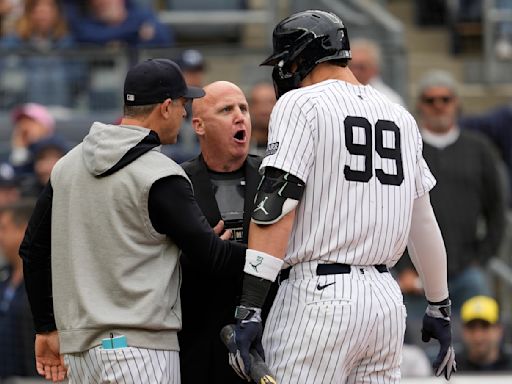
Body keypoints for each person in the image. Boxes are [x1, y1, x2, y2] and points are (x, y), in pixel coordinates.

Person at [225, 10, 456, 383]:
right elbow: (423, 221)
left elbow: (277, 206)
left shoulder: (301, 104)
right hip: (385, 300)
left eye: (287, 62)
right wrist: (438, 303)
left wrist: (250, 305)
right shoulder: (400, 115)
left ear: (301, 57)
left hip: (318, 297)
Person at [19, 58, 246, 383]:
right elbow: (214, 257)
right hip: (139, 353)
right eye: (182, 104)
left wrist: (45, 328)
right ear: (166, 107)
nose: (185, 113)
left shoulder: (66, 165)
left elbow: (32, 252)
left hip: (80, 357)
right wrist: (274, 255)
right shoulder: (160, 173)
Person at [397, 70, 506, 316]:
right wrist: (403, 267)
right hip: (415, 275)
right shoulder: (406, 149)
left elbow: (497, 210)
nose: (438, 106)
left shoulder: (480, 149)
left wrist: (482, 259)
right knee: (420, 348)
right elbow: (389, 210)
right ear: (419, 105)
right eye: (430, 100)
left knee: (479, 341)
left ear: (456, 103)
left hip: (467, 271)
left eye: (445, 99)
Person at [178, 81, 264, 384]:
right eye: (227, 110)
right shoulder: (177, 183)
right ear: (198, 125)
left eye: (243, 108)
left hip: (269, 340)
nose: (240, 116)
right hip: (200, 343)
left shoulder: (273, 177)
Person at [0, 0, 75, 107]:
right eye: (37, 7)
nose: (43, 13)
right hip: (24, 114)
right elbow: (8, 84)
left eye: (49, 7)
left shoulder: (68, 44)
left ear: (57, 13)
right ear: (28, 13)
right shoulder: (11, 44)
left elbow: (78, 81)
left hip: (62, 112)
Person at [0, 199, 38, 379]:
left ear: (24, 229)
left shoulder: (45, 280)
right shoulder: (4, 276)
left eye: (3, 228)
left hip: (35, 378)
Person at [62, 0, 173, 47]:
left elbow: (161, 36)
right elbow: (85, 35)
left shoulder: (142, 15)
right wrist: (134, 31)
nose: (99, 3)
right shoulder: (88, 23)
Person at [163, 49, 207, 163]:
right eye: (189, 72)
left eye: (198, 71)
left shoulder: (207, 103)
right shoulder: (166, 104)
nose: (194, 77)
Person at [457, 295, 512, 371]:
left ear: (499, 330)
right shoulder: (449, 369)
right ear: (462, 331)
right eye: (471, 327)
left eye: (485, 327)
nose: (478, 336)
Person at [349, 37, 405, 106]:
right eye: (351, 66)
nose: (355, 72)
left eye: (361, 67)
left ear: (375, 69)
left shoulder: (390, 100)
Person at [9, 102, 55, 176]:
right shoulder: (27, 150)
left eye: (30, 121)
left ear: (44, 126)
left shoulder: (56, 147)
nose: (24, 127)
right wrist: (19, 149)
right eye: (20, 122)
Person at [248, 81, 275, 157]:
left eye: (270, 102)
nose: (264, 110)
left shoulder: (288, 146)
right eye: (258, 103)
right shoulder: (238, 147)